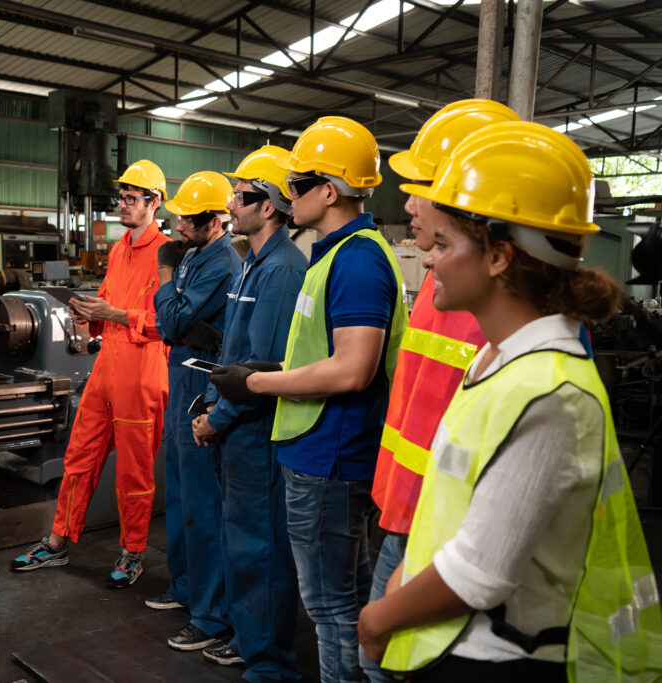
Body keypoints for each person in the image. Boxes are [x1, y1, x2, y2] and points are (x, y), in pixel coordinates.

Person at [358, 121, 662, 682]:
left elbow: (480, 575)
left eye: (443, 245)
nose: (426, 261)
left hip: (497, 658)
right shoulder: (496, 362)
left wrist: (376, 619)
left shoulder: (551, 395)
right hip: (448, 640)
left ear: (498, 257)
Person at [210, 116, 407, 682]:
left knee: (330, 609)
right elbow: (327, 351)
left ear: (329, 190)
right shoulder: (332, 253)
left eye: (296, 185)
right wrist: (272, 369)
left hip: (331, 455)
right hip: (317, 451)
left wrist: (255, 383)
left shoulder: (358, 259)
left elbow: (353, 369)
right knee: (339, 597)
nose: (286, 194)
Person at [361, 99, 520, 682]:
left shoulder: (507, 311)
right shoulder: (441, 279)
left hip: (447, 532)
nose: (407, 202)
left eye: (421, 185)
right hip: (406, 511)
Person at [10, 160, 171, 588]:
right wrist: (84, 313)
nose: (123, 204)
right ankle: (58, 541)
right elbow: (104, 305)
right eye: (121, 197)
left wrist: (113, 313)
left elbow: (169, 322)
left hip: (143, 371)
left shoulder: (168, 254)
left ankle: (133, 551)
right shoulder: (119, 250)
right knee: (79, 458)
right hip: (106, 369)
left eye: (132, 198)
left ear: (154, 203)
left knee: (134, 471)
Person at [191, 146, 307, 681]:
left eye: (242, 196)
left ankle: (268, 660)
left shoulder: (282, 270)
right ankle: (247, 638)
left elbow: (262, 366)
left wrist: (220, 418)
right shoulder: (251, 264)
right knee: (241, 543)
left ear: (271, 206)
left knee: (260, 548)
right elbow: (233, 351)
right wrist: (211, 404)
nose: (232, 204)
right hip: (234, 426)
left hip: (255, 432)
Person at [149, 170, 241, 652]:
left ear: (217, 220)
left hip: (200, 379)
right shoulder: (195, 254)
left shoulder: (220, 260)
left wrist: (166, 281)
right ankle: (186, 589)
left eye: (189, 219)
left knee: (203, 503)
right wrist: (175, 308)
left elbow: (174, 320)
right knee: (181, 496)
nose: (179, 226)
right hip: (180, 371)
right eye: (180, 217)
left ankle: (212, 613)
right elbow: (173, 322)